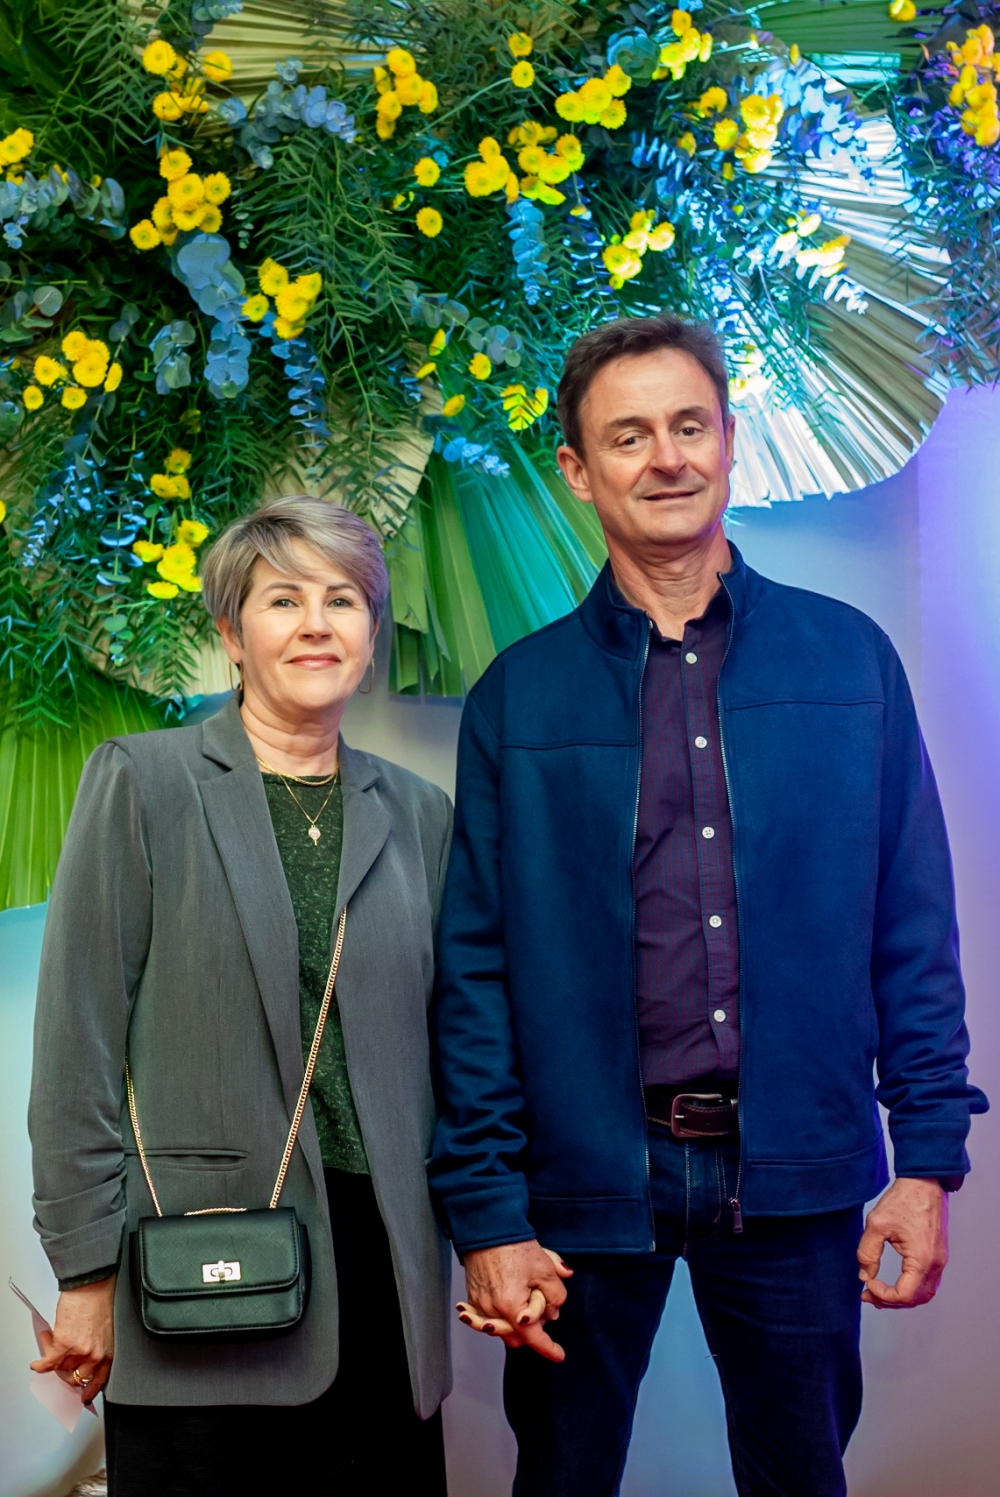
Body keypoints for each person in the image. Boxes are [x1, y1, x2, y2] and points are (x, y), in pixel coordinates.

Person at [429, 315, 988, 1497]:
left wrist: (927, 1158)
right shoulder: (518, 696)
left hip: (799, 1169)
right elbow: (473, 973)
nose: (666, 458)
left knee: (799, 1481)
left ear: (729, 439)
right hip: (581, 1180)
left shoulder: (849, 662)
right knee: (560, 1481)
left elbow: (911, 930)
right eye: (627, 436)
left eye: (689, 426)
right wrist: (487, 1211)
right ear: (578, 469)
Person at [29, 495, 453, 1496]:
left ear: (371, 632)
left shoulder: (420, 812)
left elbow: (460, 1043)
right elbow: (77, 1048)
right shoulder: (143, 782)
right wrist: (84, 1274)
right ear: (231, 632)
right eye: (283, 600)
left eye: (343, 600)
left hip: (386, 1272)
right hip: (203, 1262)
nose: (317, 624)